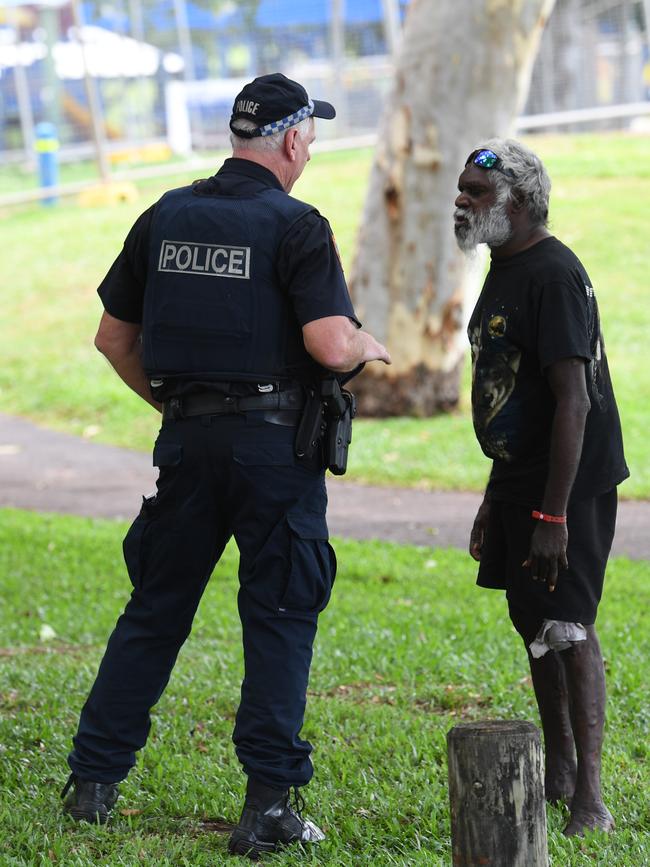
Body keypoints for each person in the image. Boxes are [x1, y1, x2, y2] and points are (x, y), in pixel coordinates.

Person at [61, 72, 391, 859]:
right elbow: (327, 344)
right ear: (288, 141)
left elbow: (114, 338)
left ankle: (92, 784)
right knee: (279, 615)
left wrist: (185, 412)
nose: (308, 151)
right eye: (308, 138)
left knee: (156, 607)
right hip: (275, 454)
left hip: (186, 445)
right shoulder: (298, 225)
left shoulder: (165, 214)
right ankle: (269, 806)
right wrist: (368, 344)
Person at [454, 138, 628, 837]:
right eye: (462, 190)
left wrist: (552, 512)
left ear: (518, 204)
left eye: (477, 192)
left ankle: (590, 798)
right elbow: (511, 395)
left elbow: (573, 402)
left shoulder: (552, 274)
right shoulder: (506, 265)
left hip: (569, 486)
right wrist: (496, 498)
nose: (462, 202)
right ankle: (555, 773)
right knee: (533, 624)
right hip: (523, 477)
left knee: (568, 625)